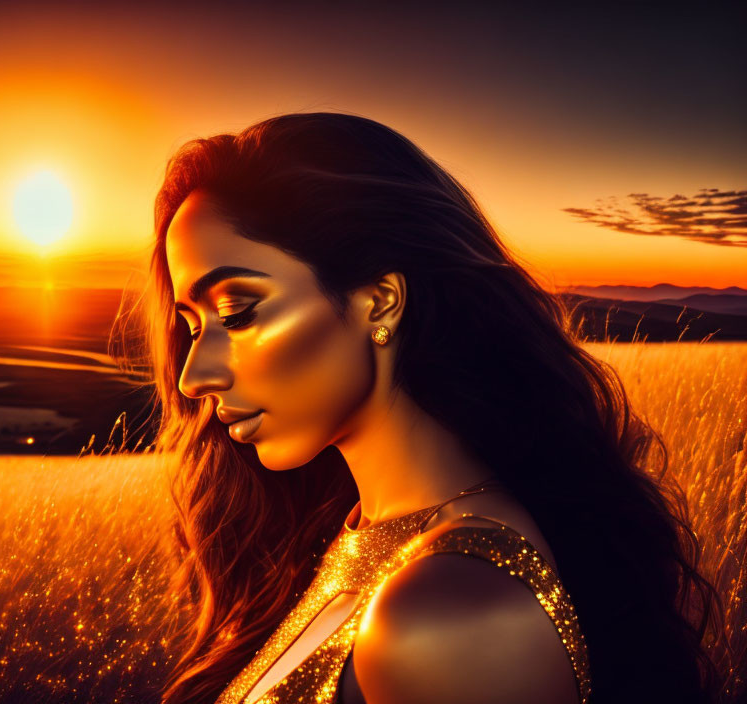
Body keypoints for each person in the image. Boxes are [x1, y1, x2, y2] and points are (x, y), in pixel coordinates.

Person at [112, 112, 723, 703]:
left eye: (236, 311)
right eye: (191, 325)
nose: (194, 376)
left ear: (380, 301)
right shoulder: (366, 536)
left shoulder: (448, 617)